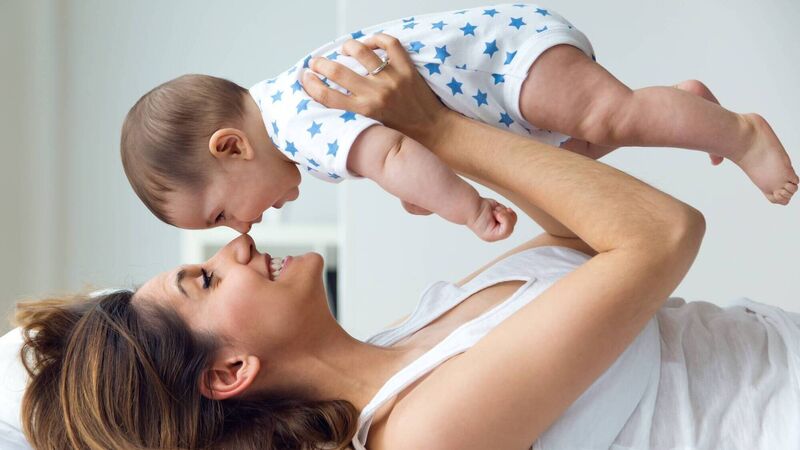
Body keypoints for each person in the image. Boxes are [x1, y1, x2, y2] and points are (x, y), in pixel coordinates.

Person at [17, 35, 799, 450]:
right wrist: (436, 129)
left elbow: (579, 241)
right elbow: (660, 234)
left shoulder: (410, 335)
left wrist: (440, 131)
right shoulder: (419, 434)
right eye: (208, 281)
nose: (239, 246)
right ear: (230, 372)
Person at [120, 4, 797, 245]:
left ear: (230, 146)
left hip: (502, 61)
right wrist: (423, 183)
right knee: (574, 161)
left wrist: (464, 208)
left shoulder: (292, 125)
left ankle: (740, 134)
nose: (240, 229)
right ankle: (681, 109)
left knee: (605, 116)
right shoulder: (285, 107)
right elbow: (401, 150)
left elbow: (393, 156)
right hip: (495, 80)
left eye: (219, 215)